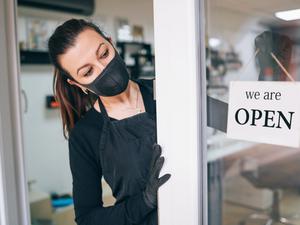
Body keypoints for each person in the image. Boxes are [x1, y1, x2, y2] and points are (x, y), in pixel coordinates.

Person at [47, 18, 171, 225]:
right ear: (78, 84)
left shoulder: (166, 91)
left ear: (111, 42)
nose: (103, 68)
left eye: (103, 53)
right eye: (87, 72)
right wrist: (145, 201)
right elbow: (87, 218)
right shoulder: (86, 134)